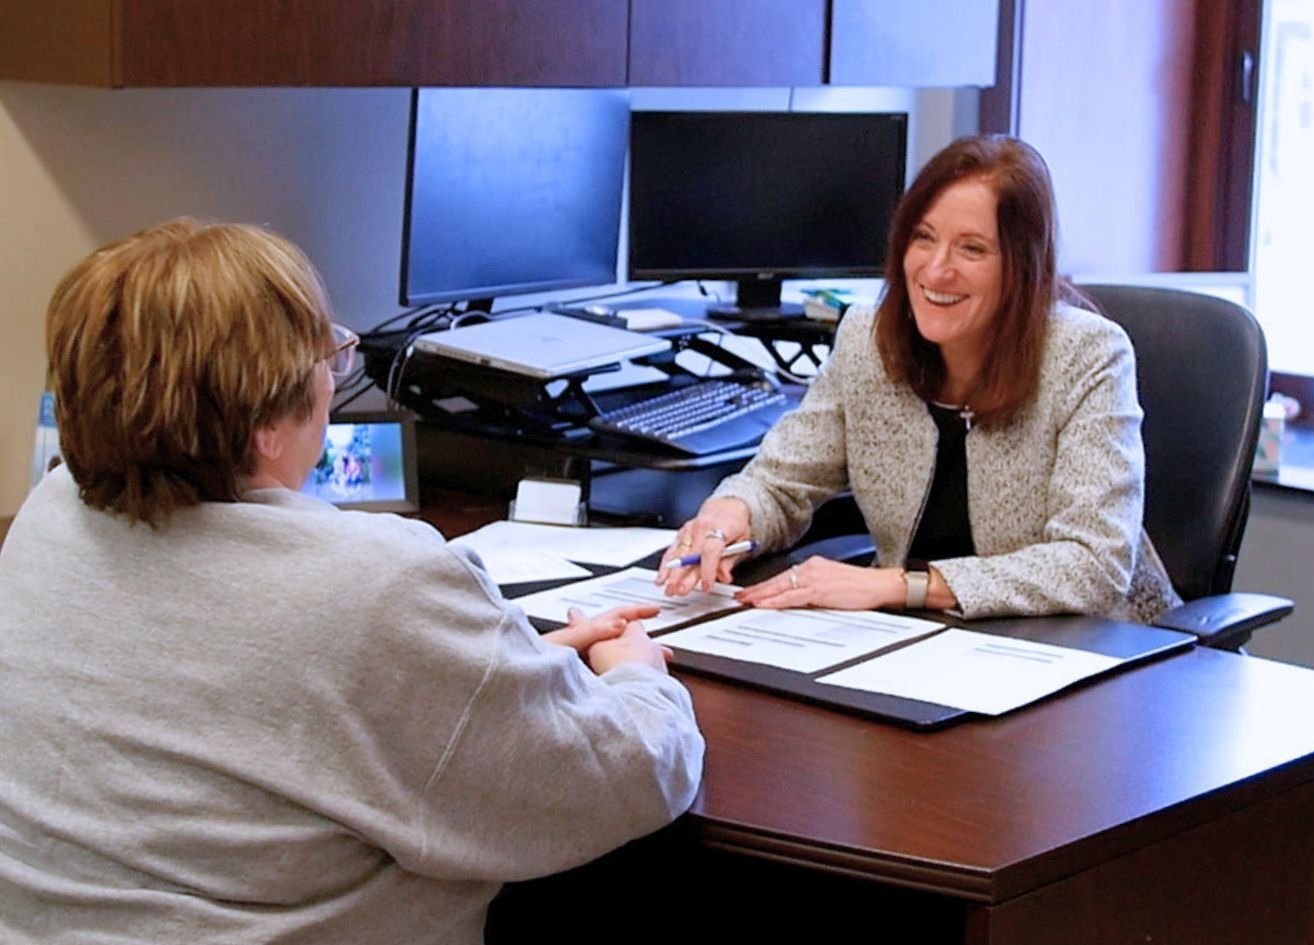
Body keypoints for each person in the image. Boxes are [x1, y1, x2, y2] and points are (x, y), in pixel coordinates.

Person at [0, 219, 704, 944]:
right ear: (265, 429)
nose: (332, 382)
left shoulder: (49, 515)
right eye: (327, 358)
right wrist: (640, 678)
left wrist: (479, 673)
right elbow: (624, 779)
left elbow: (226, 693)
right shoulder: (376, 581)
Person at [658, 135, 1180, 622]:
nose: (934, 270)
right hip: (917, 648)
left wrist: (898, 586)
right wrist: (725, 521)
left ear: (1022, 267)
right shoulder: (867, 339)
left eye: (972, 249)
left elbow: (1094, 565)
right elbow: (779, 481)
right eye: (923, 238)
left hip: (1090, 653)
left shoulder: (1086, 354)